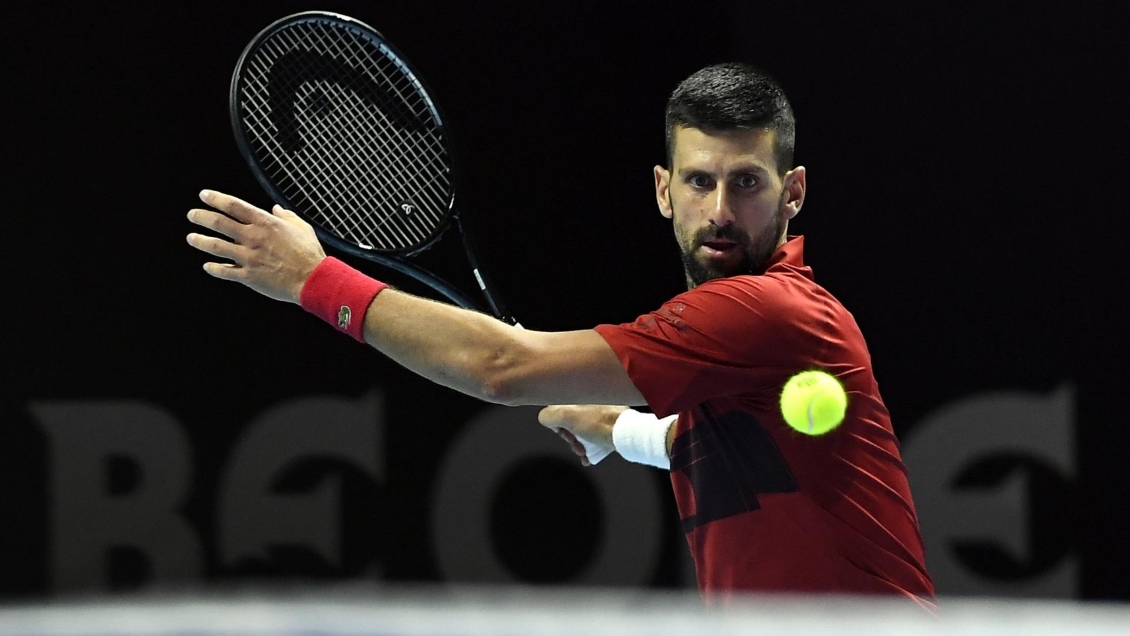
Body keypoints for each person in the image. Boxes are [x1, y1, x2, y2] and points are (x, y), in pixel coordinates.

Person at [186, 63, 935, 606]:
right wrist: (619, 427)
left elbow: (501, 367)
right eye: (700, 181)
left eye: (746, 182)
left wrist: (312, 282)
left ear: (793, 192)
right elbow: (735, 450)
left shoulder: (770, 311)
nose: (718, 210)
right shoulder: (748, 349)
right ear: (662, 190)